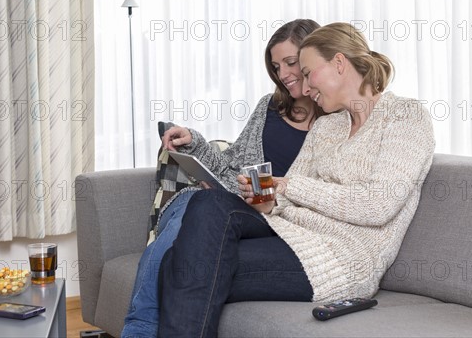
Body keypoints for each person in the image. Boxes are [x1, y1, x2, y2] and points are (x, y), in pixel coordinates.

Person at [156, 22, 436, 337]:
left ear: (339, 63)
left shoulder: (406, 117)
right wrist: (261, 195)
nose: (303, 89)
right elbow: (280, 201)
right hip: (292, 235)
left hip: (345, 259)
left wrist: (288, 186)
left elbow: (378, 204)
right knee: (206, 204)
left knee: (178, 267)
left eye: (307, 72)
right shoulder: (328, 127)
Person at [121, 19, 324, 338]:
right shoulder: (269, 108)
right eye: (275, 66)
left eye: (290, 62)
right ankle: (141, 326)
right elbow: (234, 166)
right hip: (243, 202)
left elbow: (318, 194)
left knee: (197, 212)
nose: (283, 73)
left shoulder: (335, 121)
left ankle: (140, 328)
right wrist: (195, 143)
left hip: (275, 217)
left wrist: (269, 191)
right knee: (191, 204)